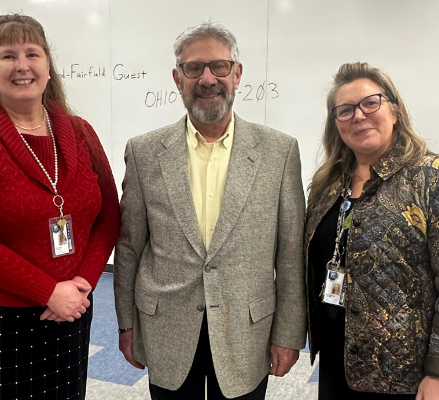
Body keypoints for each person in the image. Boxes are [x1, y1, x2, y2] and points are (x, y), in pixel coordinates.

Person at [113, 21, 307, 400]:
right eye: (193, 68)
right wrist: (126, 322)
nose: (207, 78)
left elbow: (290, 253)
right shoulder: (144, 152)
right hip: (166, 326)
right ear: (177, 77)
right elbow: (130, 245)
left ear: (237, 74)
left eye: (219, 67)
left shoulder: (279, 152)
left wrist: (288, 333)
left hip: (246, 331)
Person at [0, 14, 120, 400]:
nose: (22, 66)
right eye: (8, 55)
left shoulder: (79, 131)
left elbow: (109, 215)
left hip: (71, 308)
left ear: (48, 67)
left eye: (32, 53)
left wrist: (81, 283)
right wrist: (48, 291)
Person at [305, 62, 439, 400]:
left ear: (395, 111)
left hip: (406, 376)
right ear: (335, 123)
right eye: (345, 110)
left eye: (370, 103)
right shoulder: (327, 185)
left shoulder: (434, 178)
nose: (358, 115)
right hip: (336, 362)